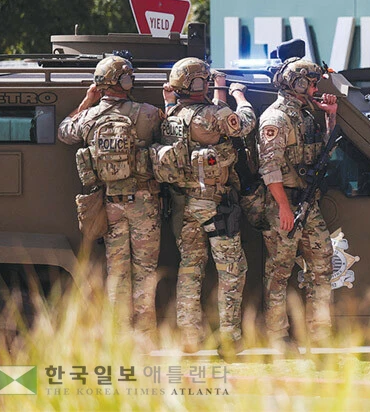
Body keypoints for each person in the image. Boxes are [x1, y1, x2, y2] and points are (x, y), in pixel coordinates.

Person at [153, 57, 256, 354]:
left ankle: (188, 335)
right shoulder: (213, 115)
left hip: (183, 203)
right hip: (214, 203)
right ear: (200, 83)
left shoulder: (171, 116)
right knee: (232, 269)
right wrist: (238, 95)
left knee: (190, 267)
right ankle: (229, 338)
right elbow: (244, 123)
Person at [58, 56, 162, 343]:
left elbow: (64, 132)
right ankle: (146, 339)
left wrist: (85, 102)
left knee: (117, 273)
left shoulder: (89, 118)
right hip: (145, 203)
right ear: (124, 81)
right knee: (145, 272)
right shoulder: (149, 113)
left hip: (110, 204)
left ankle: (119, 339)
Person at [258, 56, 337, 350]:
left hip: (307, 204)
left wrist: (330, 116)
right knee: (279, 272)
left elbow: (323, 153)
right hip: (286, 204)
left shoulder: (306, 116)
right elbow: (270, 167)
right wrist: (283, 207)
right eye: (312, 82)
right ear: (299, 83)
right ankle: (277, 336)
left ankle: (320, 334)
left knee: (322, 264)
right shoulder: (276, 119)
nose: (316, 88)